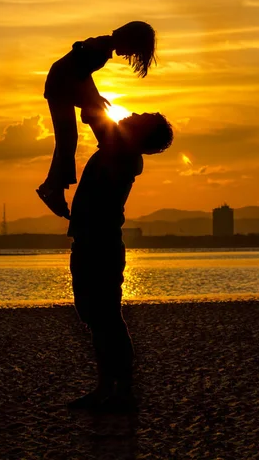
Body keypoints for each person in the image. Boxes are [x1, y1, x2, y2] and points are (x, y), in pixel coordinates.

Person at [67, 81, 173, 413]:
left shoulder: (123, 152)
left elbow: (91, 113)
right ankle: (107, 387)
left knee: (107, 318)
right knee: (97, 317)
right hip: (90, 242)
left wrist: (86, 67)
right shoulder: (119, 148)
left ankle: (120, 389)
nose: (133, 113)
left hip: (100, 245)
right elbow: (93, 114)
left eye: (140, 117)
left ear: (142, 135)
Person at [36, 21, 156, 219]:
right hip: (61, 86)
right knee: (67, 140)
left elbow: (83, 73)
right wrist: (90, 100)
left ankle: (53, 187)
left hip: (63, 84)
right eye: (132, 51)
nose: (128, 56)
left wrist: (94, 97)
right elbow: (77, 69)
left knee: (69, 139)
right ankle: (52, 188)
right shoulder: (99, 50)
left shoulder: (102, 48)